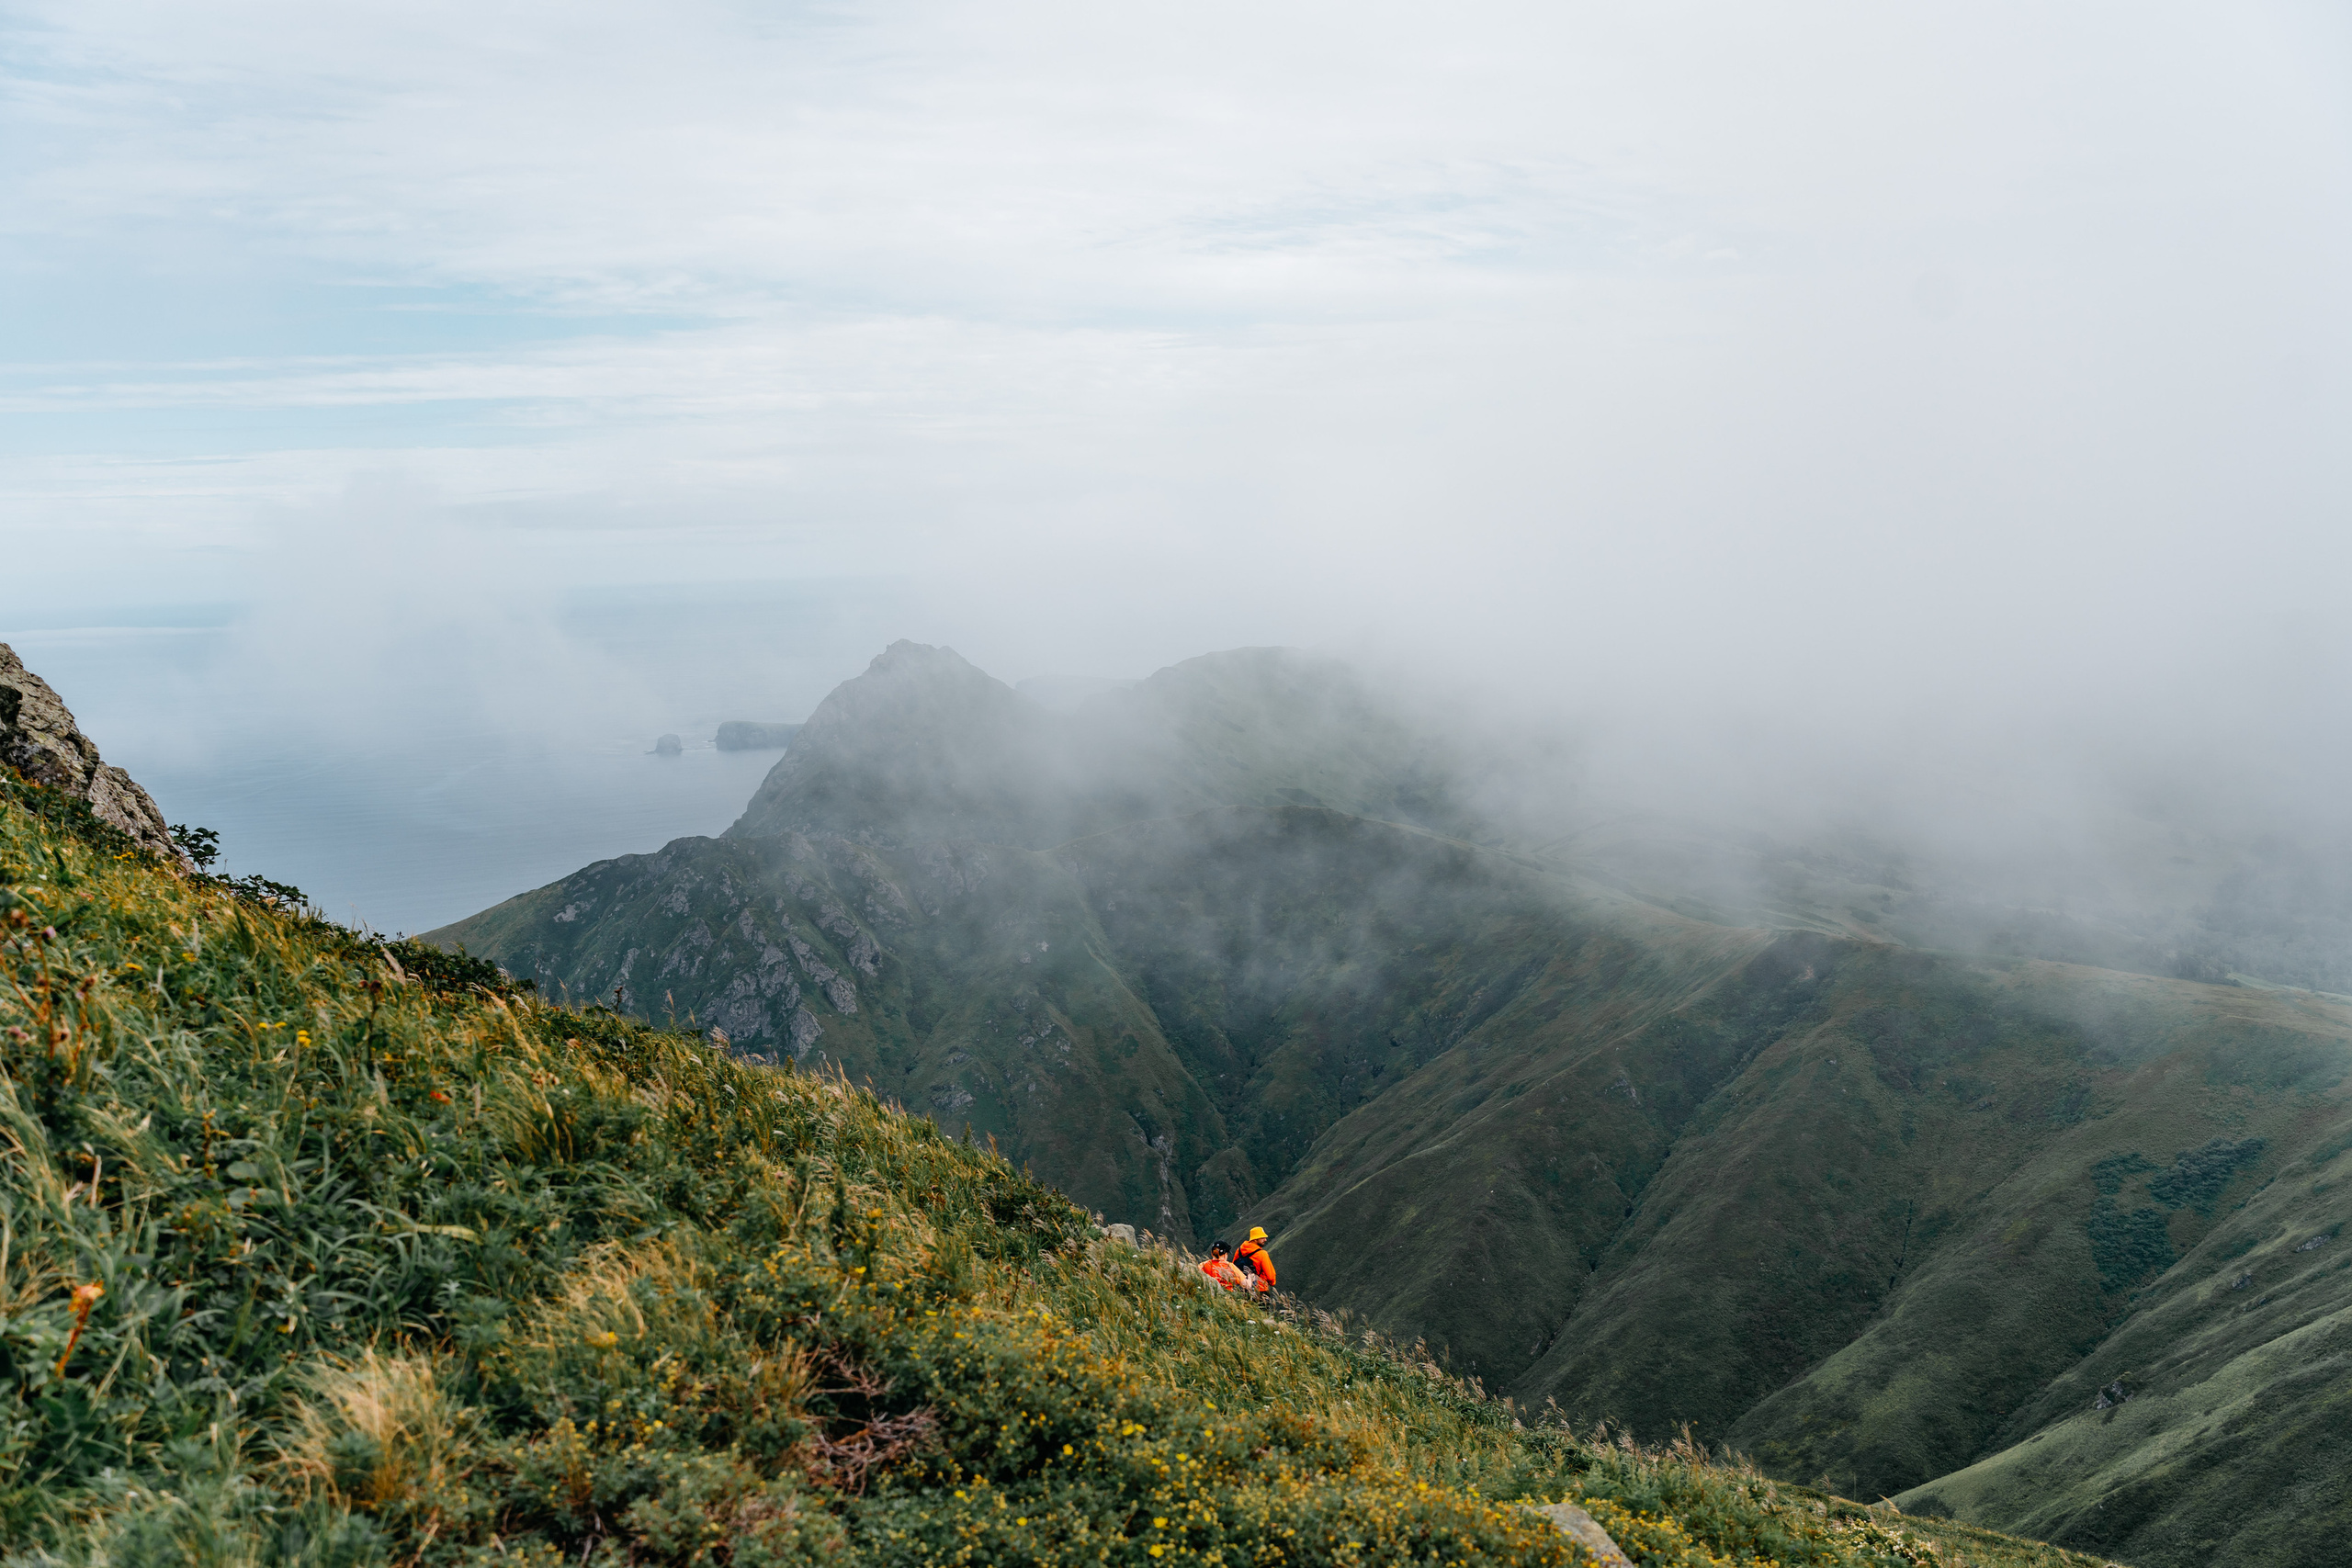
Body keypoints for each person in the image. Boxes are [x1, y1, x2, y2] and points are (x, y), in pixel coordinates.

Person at [1232, 1226, 1275, 1293]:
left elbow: (1234, 1268)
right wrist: (1272, 1283)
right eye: (1262, 1238)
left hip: (1242, 1288)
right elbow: (1270, 1276)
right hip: (1260, 1289)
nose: (1265, 1240)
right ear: (1255, 1239)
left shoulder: (1239, 1251)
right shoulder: (1262, 1254)